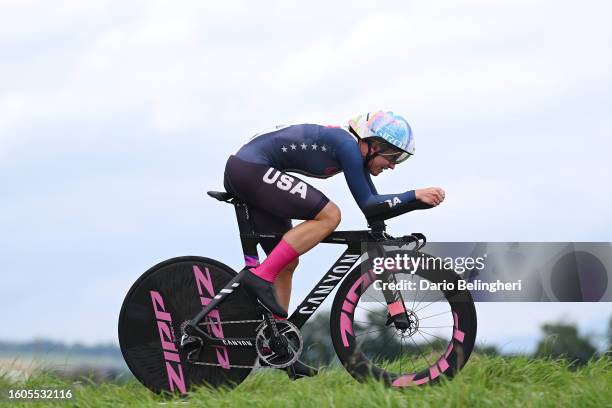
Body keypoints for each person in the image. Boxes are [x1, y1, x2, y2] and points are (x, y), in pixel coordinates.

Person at [223, 111, 445, 378]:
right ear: (373, 145)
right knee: (330, 215)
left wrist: (414, 203)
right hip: (250, 168)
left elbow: (375, 207)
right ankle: (260, 277)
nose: (393, 165)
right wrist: (415, 195)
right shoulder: (348, 146)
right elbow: (369, 204)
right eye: (393, 156)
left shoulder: (352, 150)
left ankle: (279, 346)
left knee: (287, 262)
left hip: (252, 169)